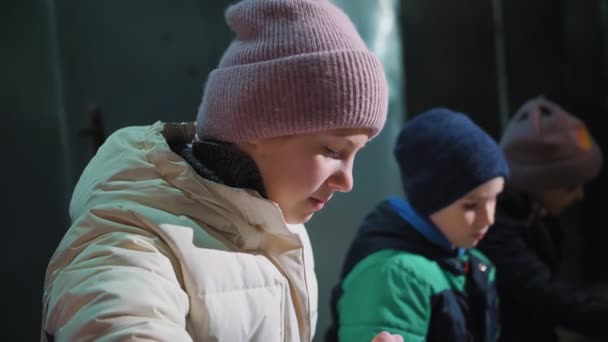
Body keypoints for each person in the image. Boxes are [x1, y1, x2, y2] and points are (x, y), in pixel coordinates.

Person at [40, 0, 389, 341]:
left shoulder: (280, 225)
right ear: (258, 128)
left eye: (357, 154)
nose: (347, 181)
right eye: (331, 150)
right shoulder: (127, 250)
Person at [326, 108, 510, 342]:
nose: (489, 218)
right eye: (471, 205)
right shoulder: (395, 276)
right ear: (431, 199)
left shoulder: (466, 261)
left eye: (495, 198)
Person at [477, 96, 608, 342]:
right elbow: (544, 294)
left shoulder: (535, 215)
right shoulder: (496, 225)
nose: (579, 195)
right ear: (537, 182)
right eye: (569, 185)